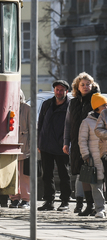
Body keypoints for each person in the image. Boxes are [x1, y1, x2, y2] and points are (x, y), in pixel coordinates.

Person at [64, 72, 100, 216]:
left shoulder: (97, 100)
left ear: (92, 85)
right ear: (77, 87)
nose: (85, 87)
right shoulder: (73, 102)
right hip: (77, 143)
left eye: (88, 84)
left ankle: (97, 205)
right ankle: (88, 205)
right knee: (82, 173)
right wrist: (66, 142)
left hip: (94, 142)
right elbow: (67, 124)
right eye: (82, 85)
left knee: (95, 174)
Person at [37, 80, 72, 211]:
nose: (59, 92)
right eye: (57, 89)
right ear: (54, 91)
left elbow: (72, 126)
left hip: (62, 145)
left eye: (62, 90)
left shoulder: (70, 105)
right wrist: (39, 142)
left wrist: (68, 143)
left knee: (64, 174)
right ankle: (48, 201)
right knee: (47, 174)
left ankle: (65, 201)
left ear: (66, 91)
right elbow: (40, 124)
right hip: (46, 145)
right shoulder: (47, 104)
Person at [77, 93, 107, 219]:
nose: (106, 106)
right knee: (97, 184)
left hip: (104, 154)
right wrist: (85, 155)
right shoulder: (87, 122)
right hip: (94, 157)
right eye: (104, 105)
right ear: (97, 108)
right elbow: (82, 140)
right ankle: (100, 208)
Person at [9, 89, 31, 209]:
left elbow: (32, 128)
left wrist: (32, 146)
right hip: (10, 146)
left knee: (24, 175)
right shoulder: (8, 107)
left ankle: (26, 199)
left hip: (24, 146)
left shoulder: (27, 108)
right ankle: (14, 198)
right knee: (12, 174)